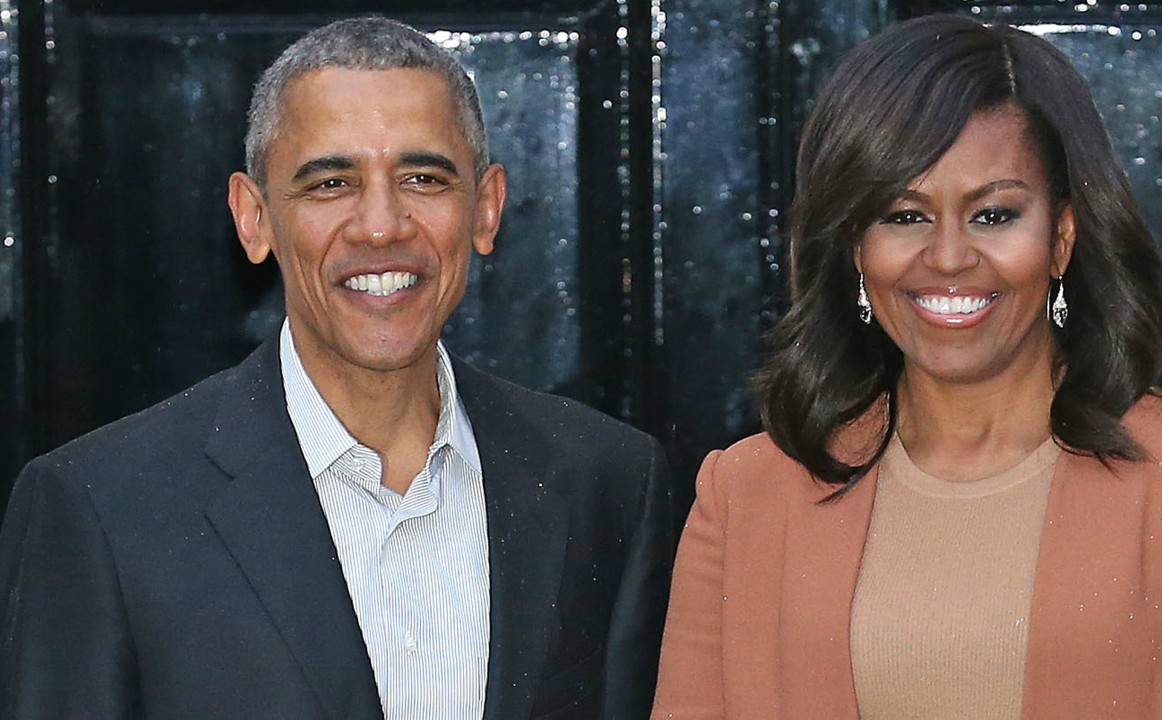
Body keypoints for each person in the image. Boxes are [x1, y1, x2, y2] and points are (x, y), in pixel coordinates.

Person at [0, 17, 672, 720]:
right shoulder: (102, 506)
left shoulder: (609, 482)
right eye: (330, 183)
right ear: (254, 218)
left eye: (422, 177)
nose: (381, 225)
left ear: (486, 206)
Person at [651, 14, 1162, 720]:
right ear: (855, 247)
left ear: (1062, 238)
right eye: (903, 215)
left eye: (993, 215)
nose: (949, 257)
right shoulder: (745, 496)